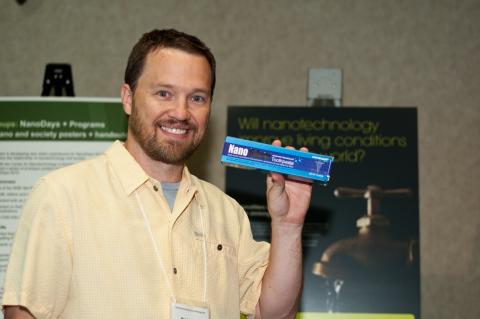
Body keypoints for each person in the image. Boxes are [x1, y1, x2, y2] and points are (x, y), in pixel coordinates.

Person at [2, 29, 312, 319]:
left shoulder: (226, 213)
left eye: (197, 98)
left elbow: (272, 313)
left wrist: (288, 224)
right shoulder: (62, 196)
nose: (180, 112)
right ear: (128, 98)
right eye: (164, 93)